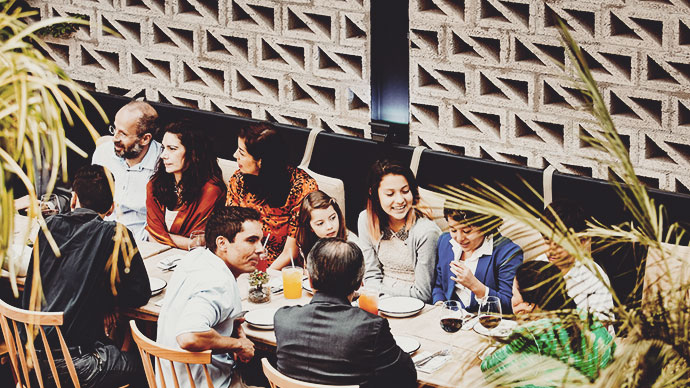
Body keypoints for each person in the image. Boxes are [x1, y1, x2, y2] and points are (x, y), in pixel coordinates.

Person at [22, 165, 151, 388]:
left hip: (30, 362)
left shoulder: (48, 226)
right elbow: (140, 294)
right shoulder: (114, 233)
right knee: (146, 363)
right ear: (111, 208)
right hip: (76, 365)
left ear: (73, 200)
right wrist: (106, 300)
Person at [274, 238, 416, 388]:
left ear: (309, 280)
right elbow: (407, 377)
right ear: (359, 282)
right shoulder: (371, 327)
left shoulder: (283, 318)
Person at [156, 206, 263, 388]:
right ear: (222, 243)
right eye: (251, 241)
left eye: (260, 240)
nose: (260, 249)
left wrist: (230, 324)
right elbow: (189, 336)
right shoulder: (218, 283)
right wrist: (237, 345)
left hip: (168, 381)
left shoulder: (195, 257)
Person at [481, 260, 616, 387]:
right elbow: (612, 353)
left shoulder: (532, 335)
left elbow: (490, 368)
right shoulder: (588, 318)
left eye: (513, 294)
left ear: (528, 305)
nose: (511, 299)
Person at [226, 123, 318, 270]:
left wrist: (263, 278)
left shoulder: (302, 187)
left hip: (282, 271)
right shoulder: (239, 180)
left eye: (241, 153)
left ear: (261, 161)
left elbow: (290, 251)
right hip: (244, 262)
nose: (235, 155)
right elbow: (229, 229)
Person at [357, 159, 441, 303]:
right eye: (390, 194)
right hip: (379, 301)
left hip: (414, 305)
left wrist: (377, 289)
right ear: (374, 193)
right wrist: (375, 290)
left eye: (405, 191)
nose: (400, 200)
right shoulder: (366, 220)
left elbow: (423, 294)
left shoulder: (426, 232)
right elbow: (371, 275)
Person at [146, 121, 226, 249]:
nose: (163, 155)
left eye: (172, 149)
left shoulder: (210, 190)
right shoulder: (155, 185)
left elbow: (200, 242)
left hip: (194, 259)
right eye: (163, 148)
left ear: (193, 153)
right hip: (157, 254)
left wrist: (162, 236)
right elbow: (153, 234)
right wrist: (185, 242)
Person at [431, 208, 523, 314]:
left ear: (485, 226)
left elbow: (509, 305)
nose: (459, 238)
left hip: (485, 323)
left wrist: (475, 285)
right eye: (453, 230)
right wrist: (439, 306)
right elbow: (439, 286)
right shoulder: (445, 242)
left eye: (467, 231)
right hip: (451, 318)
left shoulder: (508, 253)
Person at [92, 100, 160, 240]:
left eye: (123, 134)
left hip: (138, 243)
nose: (114, 139)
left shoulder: (164, 165)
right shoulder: (103, 153)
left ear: (145, 139)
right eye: (114, 129)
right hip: (98, 235)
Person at [538, 199, 615, 321]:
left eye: (560, 243)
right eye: (546, 239)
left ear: (581, 241)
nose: (551, 250)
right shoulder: (539, 264)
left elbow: (600, 329)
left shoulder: (595, 279)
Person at [295, 190, 358, 260]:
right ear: (310, 227)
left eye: (333, 218)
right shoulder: (306, 244)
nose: (329, 227)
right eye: (320, 223)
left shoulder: (352, 245)